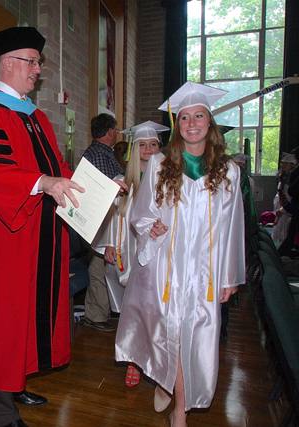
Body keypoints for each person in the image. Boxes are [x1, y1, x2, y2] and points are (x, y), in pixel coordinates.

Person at [0, 27, 85, 427]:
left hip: (38, 236)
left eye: (38, 63)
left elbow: (57, 170)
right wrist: (44, 183)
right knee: (3, 322)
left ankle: (17, 382)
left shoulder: (37, 117)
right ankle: (2, 414)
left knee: (27, 317)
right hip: (4, 238)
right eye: (32, 62)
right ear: (8, 63)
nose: (38, 70)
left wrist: (94, 186)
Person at [115, 82, 245, 427]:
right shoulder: (160, 163)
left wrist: (230, 276)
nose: (191, 122)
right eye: (184, 116)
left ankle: (176, 398)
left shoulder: (229, 171)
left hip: (204, 273)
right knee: (166, 331)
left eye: (198, 115)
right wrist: (150, 227)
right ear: (178, 125)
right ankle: (174, 394)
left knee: (195, 337)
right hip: (166, 269)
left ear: (209, 122)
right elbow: (140, 214)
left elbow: (234, 228)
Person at [93, 121, 168, 387]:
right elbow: (116, 216)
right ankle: (134, 361)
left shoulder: (169, 180)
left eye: (153, 144)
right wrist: (110, 244)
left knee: (157, 309)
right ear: (134, 150)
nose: (148, 149)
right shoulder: (125, 182)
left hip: (159, 252)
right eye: (142, 145)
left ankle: (159, 361)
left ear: (160, 148)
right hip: (131, 252)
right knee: (133, 309)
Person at [81, 113, 125, 333]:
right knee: (98, 266)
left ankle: (99, 310)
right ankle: (95, 314)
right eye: (115, 129)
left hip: (107, 217)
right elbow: (107, 186)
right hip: (101, 218)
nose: (116, 133)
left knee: (101, 265)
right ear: (109, 131)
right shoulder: (98, 154)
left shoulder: (103, 152)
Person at [272, 152, 297, 243]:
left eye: (286, 163)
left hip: (287, 212)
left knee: (283, 231)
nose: (283, 165)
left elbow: (290, 197)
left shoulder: (292, 180)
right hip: (281, 209)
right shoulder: (282, 178)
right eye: (283, 163)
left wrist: (282, 210)